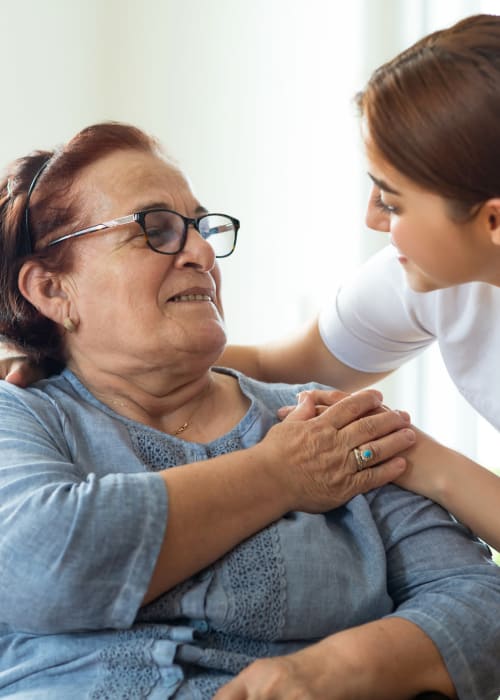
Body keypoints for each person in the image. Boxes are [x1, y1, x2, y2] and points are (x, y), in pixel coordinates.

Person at [0, 122, 499, 700]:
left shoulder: (324, 421)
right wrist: (281, 473)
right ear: (52, 290)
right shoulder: (24, 416)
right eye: (155, 230)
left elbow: (477, 598)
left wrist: (333, 670)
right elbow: (38, 565)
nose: (204, 251)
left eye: (201, 227)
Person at [211, 12, 500, 553]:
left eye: (392, 201)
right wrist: (65, 356)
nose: (373, 220)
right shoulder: (428, 276)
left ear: (493, 221)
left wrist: (424, 461)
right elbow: (280, 367)